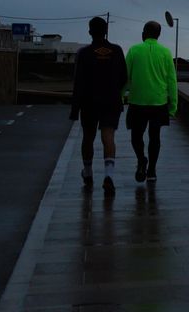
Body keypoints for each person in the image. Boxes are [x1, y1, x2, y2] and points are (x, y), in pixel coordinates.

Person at [70, 17, 127, 194]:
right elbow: (124, 77)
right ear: (106, 31)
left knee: (88, 136)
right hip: (111, 101)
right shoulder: (117, 51)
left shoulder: (84, 53)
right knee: (108, 136)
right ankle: (108, 175)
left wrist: (74, 109)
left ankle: (87, 172)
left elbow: (78, 82)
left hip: (89, 102)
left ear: (90, 32)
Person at [125, 20, 177, 183]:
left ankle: (141, 159)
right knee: (155, 136)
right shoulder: (166, 52)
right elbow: (171, 81)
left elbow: (125, 77)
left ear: (143, 33)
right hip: (159, 102)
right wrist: (173, 105)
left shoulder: (134, 50)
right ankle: (152, 171)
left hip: (137, 101)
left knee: (136, 136)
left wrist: (120, 95)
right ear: (158, 35)